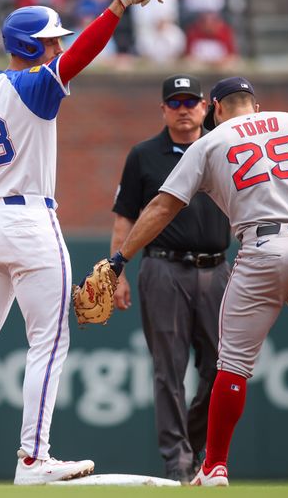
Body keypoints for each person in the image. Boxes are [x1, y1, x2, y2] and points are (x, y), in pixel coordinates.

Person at [0, 0, 166, 486]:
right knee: (48, 341)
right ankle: (33, 458)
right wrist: (117, 5)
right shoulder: (34, 86)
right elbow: (83, 56)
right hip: (30, 219)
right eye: (49, 40)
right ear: (28, 47)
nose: (59, 47)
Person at [103, 76, 288, 486]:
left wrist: (119, 259)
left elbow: (163, 206)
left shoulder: (210, 143)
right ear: (255, 104)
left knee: (231, 365)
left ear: (214, 110)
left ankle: (215, 465)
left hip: (262, 249)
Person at [111, 74, 230, 483]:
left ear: (205, 107)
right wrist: (118, 270)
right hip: (163, 267)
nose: (183, 109)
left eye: (190, 101)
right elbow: (125, 215)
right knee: (169, 369)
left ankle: (195, 443)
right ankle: (177, 460)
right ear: (163, 108)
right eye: (175, 102)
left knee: (221, 366)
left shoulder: (223, 147)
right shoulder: (144, 155)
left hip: (217, 268)